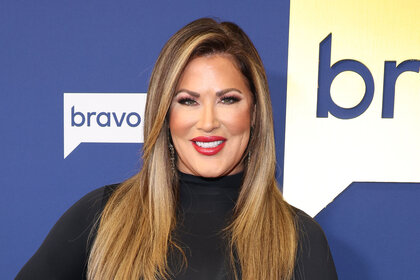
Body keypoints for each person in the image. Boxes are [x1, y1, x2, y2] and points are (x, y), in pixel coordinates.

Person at [16, 18, 338, 280]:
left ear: (254, 113)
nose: (208, 121)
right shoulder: (101, 216)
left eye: (228, 99)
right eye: (188, 101)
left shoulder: (299, 240)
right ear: (165, 114)